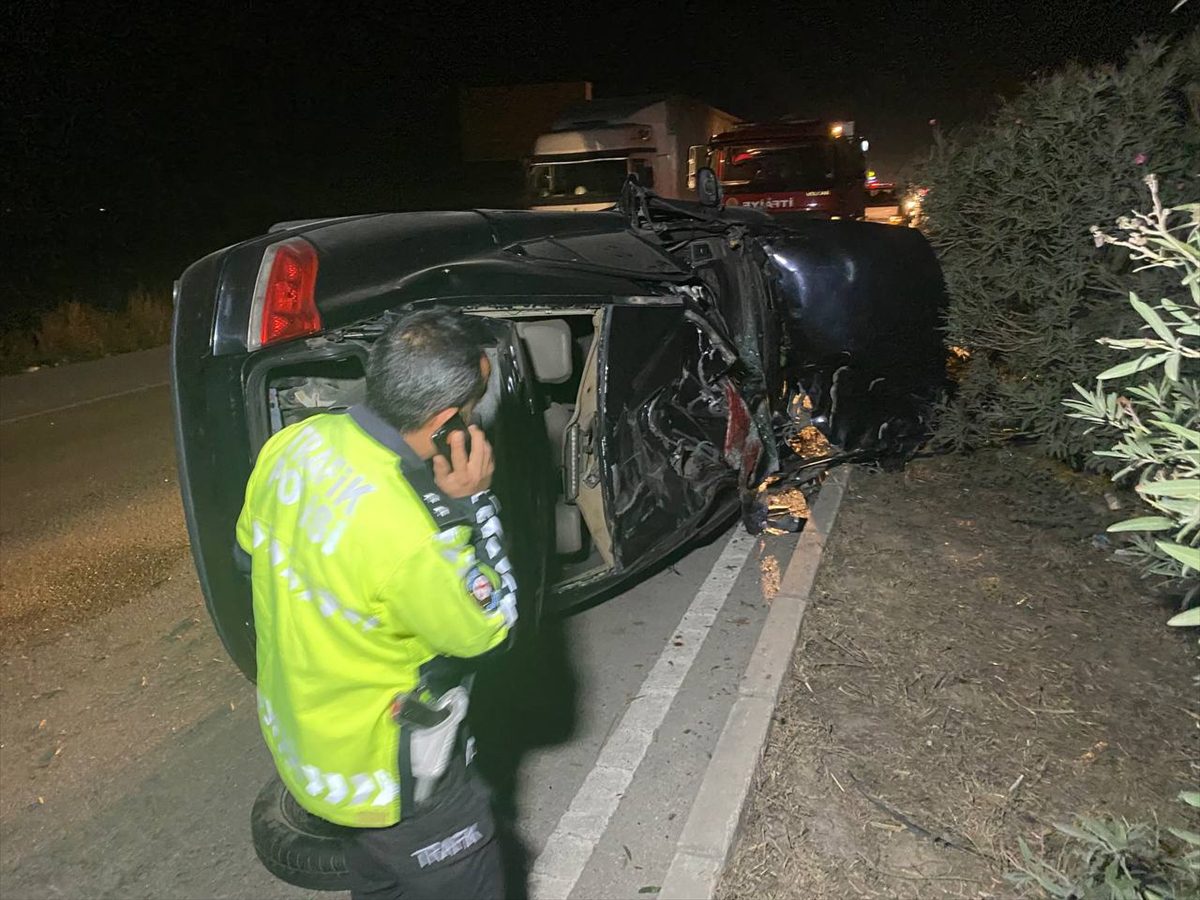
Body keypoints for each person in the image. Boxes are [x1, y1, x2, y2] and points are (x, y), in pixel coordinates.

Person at [235, 308, 518, 900]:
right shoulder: (417, 534)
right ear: (446, 423)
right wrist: (474, 506)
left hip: (309, 748)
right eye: (474, 407)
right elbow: (491, 628)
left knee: (382, 884)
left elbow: (248, 552)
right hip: (392, 775)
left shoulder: (294, 443)